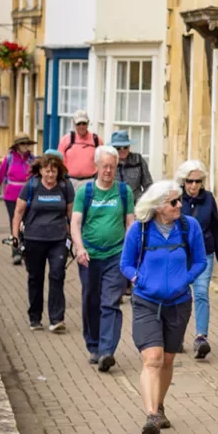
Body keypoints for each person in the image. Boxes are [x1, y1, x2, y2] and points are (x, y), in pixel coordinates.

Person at [120, 180, 207, 434]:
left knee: (168, 360)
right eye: (173, 201)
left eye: (179, 200)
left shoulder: (189, 226)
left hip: (179, 303)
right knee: (153, 359)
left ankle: (158, 406)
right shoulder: (140, 230)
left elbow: (201, 260)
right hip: (146, 301)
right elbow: (125, 264)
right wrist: (140, 280)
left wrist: (186, 279)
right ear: (159, 207)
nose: (179, 205)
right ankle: (150, 415)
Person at [70, 145, 135, 371]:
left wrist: (129, 252)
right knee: (91, 300)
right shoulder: (85, 192)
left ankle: (107, 351)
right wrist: (79, 248)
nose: (108, 170)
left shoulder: (124, 192)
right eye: (104, 166)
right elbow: (75, 223)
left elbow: (130, 224)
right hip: (89, 256)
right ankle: (94, 345)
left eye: (112, 166)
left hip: (115, 255)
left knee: (110, 302)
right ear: (96, 166)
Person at [11, 153, 74, 332]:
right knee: (35, 279)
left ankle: (56, 319)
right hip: (34, 239)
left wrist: (75, 237)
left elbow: (71, 214)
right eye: (47, 171)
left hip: (58, 240)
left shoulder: (65, 186)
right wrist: (15, 237)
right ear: (40, 170)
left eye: (53, 171)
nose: (50, 175)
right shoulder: (31, 186)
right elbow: (18, 212)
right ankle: (35, 317)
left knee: (57, 276)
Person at [176, 159, 218, 359]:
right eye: (190, 181)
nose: (194, 185)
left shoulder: (209, 199)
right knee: (179, 295)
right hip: (179, 255)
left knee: (201, 292)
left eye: (197, 181)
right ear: (184, 181)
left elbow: (216, 229)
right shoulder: (175, 198)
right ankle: (176, 336)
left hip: (203, 253)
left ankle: (200, 338)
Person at [0, 133, 36, 265]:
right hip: (11, 197)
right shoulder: (9, 159)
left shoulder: (32, 159)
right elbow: (0, 176)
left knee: (26, 224)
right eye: (22, 143)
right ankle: (16, 252)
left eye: (27, 143)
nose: (25, 146)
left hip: (28, 197)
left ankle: (25, 250)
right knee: (14, 224)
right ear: (17, 146)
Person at [57, 110, 102, 189]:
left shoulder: (96, 140)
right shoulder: (65, 140)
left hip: (90, 180)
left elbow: (102, 160)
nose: (81, 126)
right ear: (74, 123)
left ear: (88, 123)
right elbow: (59, 161)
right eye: (79, 124)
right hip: (70, 180)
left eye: (84, 123)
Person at [110, 131, 152, 201]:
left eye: (125, 147)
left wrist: (143, 201)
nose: (122, 150)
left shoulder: (138, 160)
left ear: (129, 146)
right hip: (114, 204)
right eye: (118, 148)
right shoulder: (108, 162)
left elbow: (148, 185)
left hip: (135, 203)